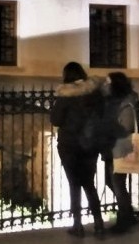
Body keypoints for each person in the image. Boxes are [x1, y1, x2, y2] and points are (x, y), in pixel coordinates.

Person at [50, 61, 106, 237]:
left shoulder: (66, 95)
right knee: (89, 184)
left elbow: (56, 120)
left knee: (74, 184)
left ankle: (78, 225)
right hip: (90, 144)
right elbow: (102, 114)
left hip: (70, 146)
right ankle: (98, 223)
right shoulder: (95, 93)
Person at [100, 72, 139, 234]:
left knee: (118, 184)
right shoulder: (111, 101)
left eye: (108, 82)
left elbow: (127, 127)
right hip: (111, 147)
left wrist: (107, 128)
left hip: (120, 148)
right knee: (111, 182)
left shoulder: (126, 102)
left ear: (116, 85)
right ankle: (128, 214)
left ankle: (124, 221)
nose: (105, 85)